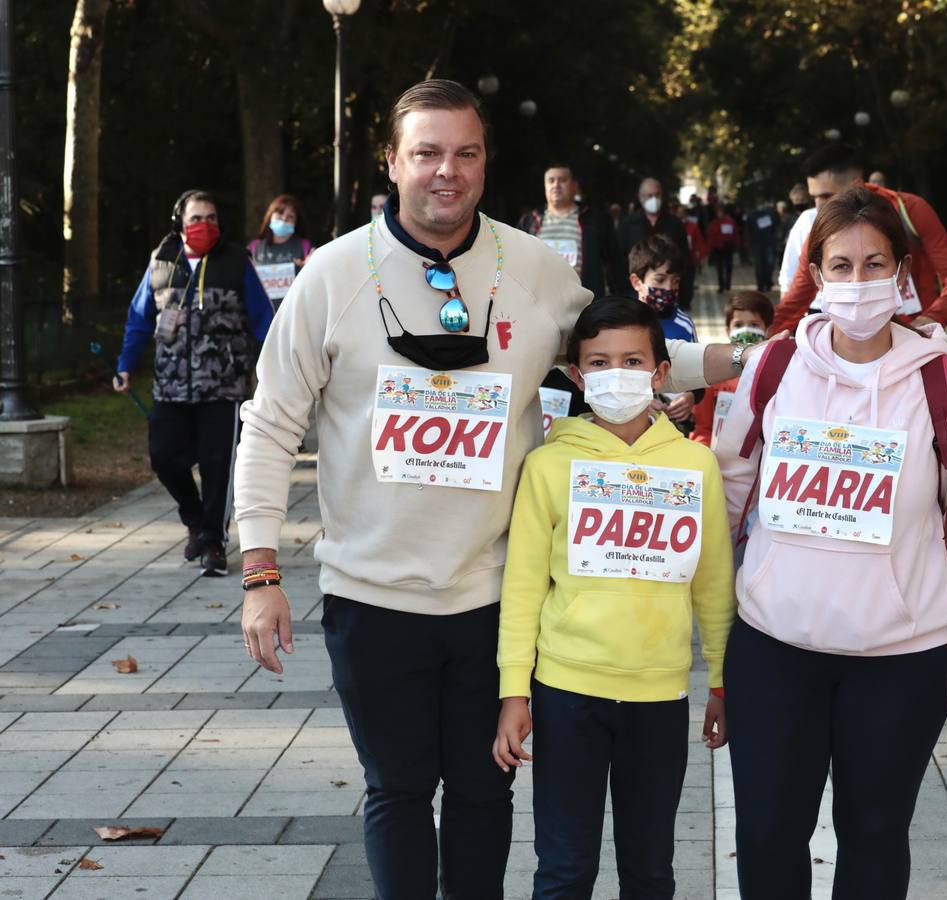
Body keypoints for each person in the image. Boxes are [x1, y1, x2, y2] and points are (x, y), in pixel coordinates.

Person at [232, 79, 746, 899]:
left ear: (485, 163)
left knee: (481, 790)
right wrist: (260, 572)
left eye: (465, 153)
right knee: (397, 790)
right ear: (393, 161)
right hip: (372, 599)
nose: (447, 171)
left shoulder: (533, 268)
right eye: (427, 152)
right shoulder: (330, 277)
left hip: (490, 598)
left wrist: (755, 359)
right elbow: (268, 423)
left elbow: (621, 354)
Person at [714, 187, 947, 898]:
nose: (857, 282)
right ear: (813, 274)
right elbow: (726, 489)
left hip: (902, 660)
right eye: (839, 265)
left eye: (875, 264)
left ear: (903, 274)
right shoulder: (774, 368)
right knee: (768, 832)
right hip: (774, 648)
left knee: (874, 835)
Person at [493, 295, 734, 899]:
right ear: (575, 374)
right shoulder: (549, 466)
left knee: (650, 871)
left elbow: (713, 585)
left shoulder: (693, 465)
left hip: (658, 694)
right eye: (598, 362)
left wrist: (723, 682)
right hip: (566, 693)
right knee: (564, 870)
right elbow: (522, 587)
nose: (616, 374)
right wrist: (513, 690)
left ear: (661, 373)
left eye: (632, 361)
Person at [114, 190, 274, 576]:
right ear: (179, 223)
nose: (204, 225)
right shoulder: (161, 262)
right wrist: (125, 365)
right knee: (164, 457)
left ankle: (214, 544)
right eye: (196, 218)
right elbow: (140, 318)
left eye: (211, 218)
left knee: (219, 467)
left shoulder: (237, 262)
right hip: (170, 386)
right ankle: (195, 519)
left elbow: (264, 319)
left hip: (223, 386)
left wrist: (276, 369)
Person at [772, 144, 947, 335]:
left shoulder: (910, 210)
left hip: (911, 340)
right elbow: (795, 301)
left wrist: (926, 322)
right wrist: (752, 342)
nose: (818, 207)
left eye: (827, 196)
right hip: (850, 346)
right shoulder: (823, 227)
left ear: (857, 184)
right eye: (814, 197)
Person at [518, 163, 622, 300]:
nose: (556, 185)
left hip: (584, 307)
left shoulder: (596, 221)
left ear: (574, 186)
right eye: (551, 181)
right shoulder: (530, 222)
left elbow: (614, 265)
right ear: (545, 186)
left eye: (562, 180)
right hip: (540, 304)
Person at [629, 234, 700, 432]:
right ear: (637, 282)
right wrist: (634, 400)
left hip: (671, 427)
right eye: (659, 280)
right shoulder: (618, 324)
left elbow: (698, 377)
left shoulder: (683, 325)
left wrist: (691, 397)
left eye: (675, 281)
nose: (668, 288)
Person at [691, 290, 773, 448]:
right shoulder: (712, 374)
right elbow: (703, 428)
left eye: (754, 325)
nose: (746, 331)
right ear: (728, 330)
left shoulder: (779, 373)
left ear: (767, 330)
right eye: (738, 325)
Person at [616, 177, 690, 305]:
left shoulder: (675, 224)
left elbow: (685, 260)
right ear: (640, 197)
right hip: (634, 296)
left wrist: (685, 295)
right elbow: (618, 260)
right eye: (649, 195)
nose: (654, 199)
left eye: (657, 195)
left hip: (668, 294)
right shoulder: (627, 225)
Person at [247, 194, 314, 305]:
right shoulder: (254, 247)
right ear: (270, 216)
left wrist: (308, 268)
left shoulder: (305, 246)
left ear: (296, 222)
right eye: (280, 213)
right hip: (263, 313)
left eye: (290, 216)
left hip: (294, 311)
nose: (284, 219)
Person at [745, 198, 781, 292]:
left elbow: (775, 227)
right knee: (759, 265)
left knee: (769, 264)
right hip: (757, 244)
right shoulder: (751, 216)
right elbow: (748, 230)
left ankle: (767, 282)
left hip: (769, 243)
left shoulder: (770, 214)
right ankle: (761, 285)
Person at [706, 200, 740, 293]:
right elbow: (711, 236)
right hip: (718, 248)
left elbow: (734, 233)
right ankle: (721, 285)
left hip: (728, 247)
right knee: (719, 267)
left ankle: (727, 284)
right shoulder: (713, 223)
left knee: (728, 266)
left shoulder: (729, 221)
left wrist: (735, 243)